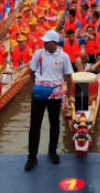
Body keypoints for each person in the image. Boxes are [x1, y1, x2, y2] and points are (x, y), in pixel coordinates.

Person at [25, 30, 74, 171]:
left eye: (47, 42)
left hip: (55, 95)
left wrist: (70, 95)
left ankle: (52, 151)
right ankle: (32, 156)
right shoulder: (38, 54)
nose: (44, 43)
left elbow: (69, 76)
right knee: (35, 125)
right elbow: (31, 72)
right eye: (44, 41)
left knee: (55, 124)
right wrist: (40, 84)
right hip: (39, 94)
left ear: (55, 42)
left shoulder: (64, 57)